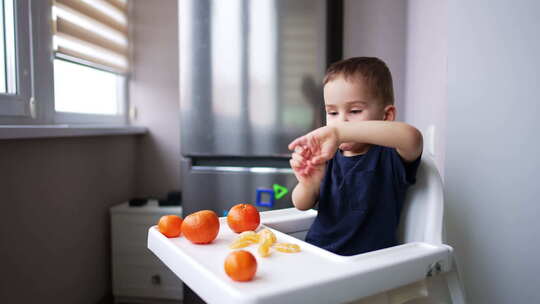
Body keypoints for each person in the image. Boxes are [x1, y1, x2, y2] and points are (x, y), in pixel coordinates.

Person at [288, 57, 423, 256]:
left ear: (386, 116)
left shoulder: (390, 155)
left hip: (369, 265)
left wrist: (340, 133)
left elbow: (413, 138)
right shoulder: (328, 156)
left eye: (355, 110)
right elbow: (301, 204)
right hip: (320, 254)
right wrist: (308, 184)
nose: (341, 120)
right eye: (332, 112)